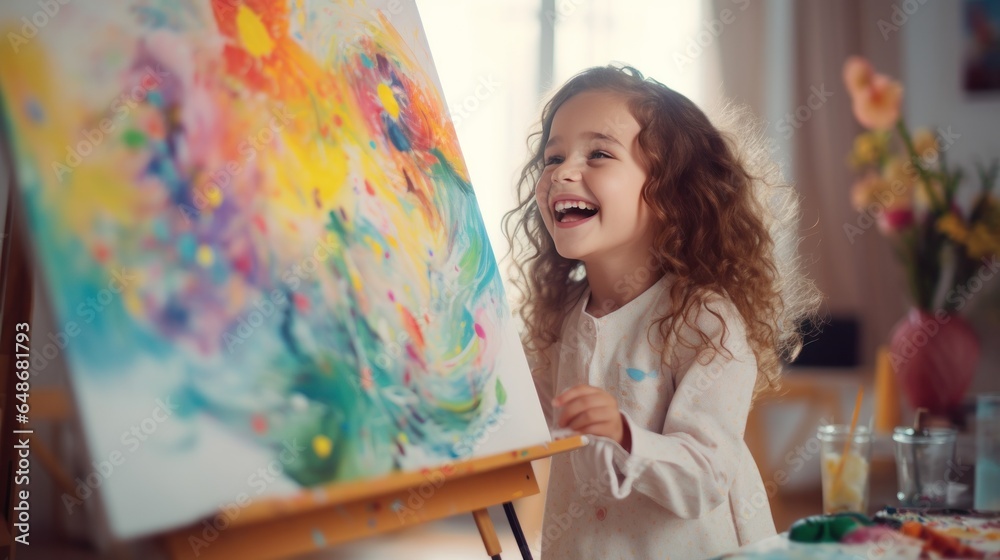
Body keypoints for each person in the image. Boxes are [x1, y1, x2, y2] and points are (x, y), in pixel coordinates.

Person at [502, 65, 820, 559]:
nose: (562, 171)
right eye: (554, 155)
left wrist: (625, 434)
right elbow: (526, 420)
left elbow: (705, 476)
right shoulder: (559, 317)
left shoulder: (704, 320)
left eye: (599, 154)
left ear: (670, 194)